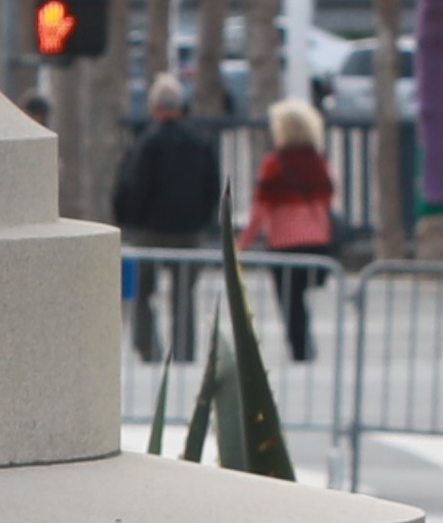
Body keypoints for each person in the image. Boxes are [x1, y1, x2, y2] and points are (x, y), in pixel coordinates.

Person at [109, 75, 222, 361]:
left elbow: (134, 185)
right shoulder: (201, 143)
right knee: (184, 296)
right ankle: (184, 353)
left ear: (154, 107)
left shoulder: (147, 143)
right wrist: (204, 219)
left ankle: (148, 349)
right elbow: (213, 186)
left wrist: (126, 218)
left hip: (151, 230)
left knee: (144, 291)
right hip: (190, 230)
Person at [243, 102, 336, 363]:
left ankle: (301, 350)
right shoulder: (319, 161)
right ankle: (304, 347)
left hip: (285, 243)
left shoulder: (274, 164)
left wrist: (242, 244)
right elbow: (327, 200)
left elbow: (260, 208)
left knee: (290, 301)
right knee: (299, 298)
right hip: (316, 240)